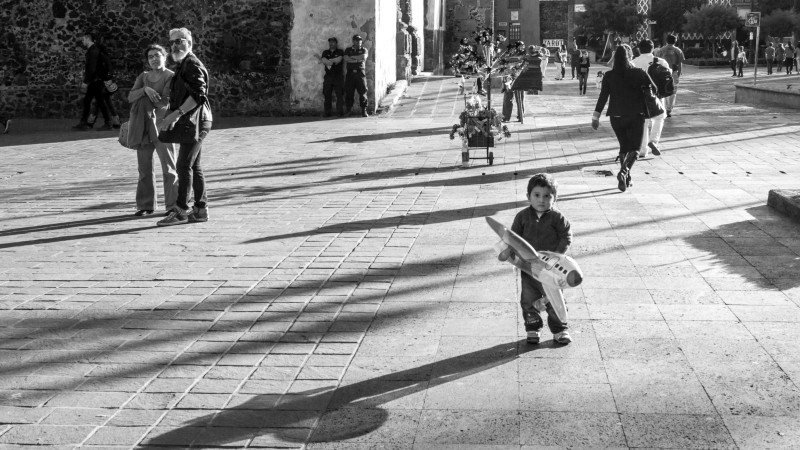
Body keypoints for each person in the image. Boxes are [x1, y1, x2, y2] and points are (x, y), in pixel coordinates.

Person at [157, 27, 213, 226]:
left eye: (180, 40)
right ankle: (200, 209)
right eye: (172, 42)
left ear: (190, 43)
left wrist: (174, 114)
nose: (175, 45)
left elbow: (198, 95)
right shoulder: (183, 64)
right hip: (194, 120)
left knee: (183, 165)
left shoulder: (191, 64)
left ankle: (181, 210)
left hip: (196, 120)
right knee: (194, 166)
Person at [511, 173, 573, 345]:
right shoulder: (522, 217)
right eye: (536, 195)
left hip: (551, 269)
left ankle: (560, 329)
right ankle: (533, 328)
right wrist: (513, 254)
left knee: (555, 299)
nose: (541, 200)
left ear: (555, 198)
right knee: (528, 299)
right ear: (528, 197)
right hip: (529, 267)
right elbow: (514, 238)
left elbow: (566, 237)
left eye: (547, 196)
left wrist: (556, 256)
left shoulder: (557, 218)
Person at [592, 44, 653, 192]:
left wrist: (596, 116)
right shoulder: (639, 73)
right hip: (636, 115)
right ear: (629, 56)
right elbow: (654, 89)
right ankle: (623, 172)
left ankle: (627, 177)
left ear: (615, 58)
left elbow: (603, 97)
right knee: (635, 149)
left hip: (616, 116)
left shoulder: (609, 76)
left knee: (624, 147)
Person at [127, 44, 178, 217]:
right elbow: (131, 96)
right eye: (150, 56)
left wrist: (146, 95)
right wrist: (145, 89)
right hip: (143, 127)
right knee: (144, 169)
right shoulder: (144, 76)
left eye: (157, 55)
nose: (154, 59)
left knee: (169, 168)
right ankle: (145, 205)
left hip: (163, 126)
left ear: (165, 56)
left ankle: (172, 205)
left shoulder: (170, 76)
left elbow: (164, 102)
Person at [631, 39, 668, 157]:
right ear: (652, 49)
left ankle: (642, 150)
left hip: (638, 96)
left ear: (638, 49)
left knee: (643, 121)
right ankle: (654, 141)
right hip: (656, 96)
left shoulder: (633, 63)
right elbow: (668, 77)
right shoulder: (661, 61)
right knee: (660, 117)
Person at [73, 31, 111, 131]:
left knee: (100, 101)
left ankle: (108, 123)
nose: (82, 41)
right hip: (95, 80)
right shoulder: (93, 50)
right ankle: (84, 122)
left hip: (96, 81)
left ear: (88, 39)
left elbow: (91, 67)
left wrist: (86, 82)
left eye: (84, 39)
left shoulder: (93, 51)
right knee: (88, 101)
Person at [658, 34, 684, 118]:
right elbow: (680, 64)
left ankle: (664, 108)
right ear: (675, 41)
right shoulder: (678, 50)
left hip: (662, 73)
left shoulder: (661, 50)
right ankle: (669, 109)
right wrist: (678, 74)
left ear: (666, 41)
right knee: (673, 92)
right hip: (674, 73)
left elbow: (657, 62)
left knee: (663, 90)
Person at [343, 34, 369, 117]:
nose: (358, 42)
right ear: (353, 41)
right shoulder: (348, 50)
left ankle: (364, 110)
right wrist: (358, 59)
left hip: (360, 73)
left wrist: (352, 58)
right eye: (356, 40)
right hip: (350, 73)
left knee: (363, 92)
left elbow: (363, 57)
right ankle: (348, 110)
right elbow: (346, 58)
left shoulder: (364, 49)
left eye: (360, 40)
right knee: (349, 92)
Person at [501, 41, 527, 123]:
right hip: (509, 78)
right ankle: (505, 116)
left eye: (523, 46)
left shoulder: (524, 55)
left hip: (519, 78)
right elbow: (503, 65)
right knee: (508, 98)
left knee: (520, 98)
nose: (522, 48)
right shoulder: (507, 55)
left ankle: (521, 115)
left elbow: (525, 65)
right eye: (520, 46)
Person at [319, 37, 344, 117]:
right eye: (330, 42)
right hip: (328, 76)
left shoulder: (340, 51)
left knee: (339, 94)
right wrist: (332, 62)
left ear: (336, 43)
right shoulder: (325, 52)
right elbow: (323, 60)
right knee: (327, 94)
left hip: (338, 76)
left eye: (333, 42)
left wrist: (329, 61)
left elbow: (339, 60)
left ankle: (339, 112)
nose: (331, 43)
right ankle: (327, 112)